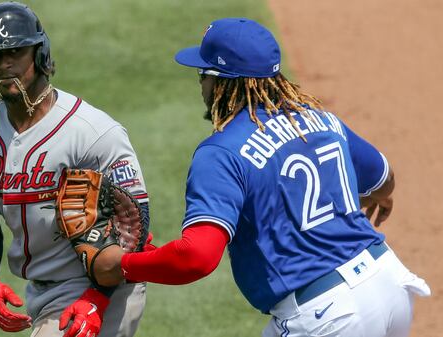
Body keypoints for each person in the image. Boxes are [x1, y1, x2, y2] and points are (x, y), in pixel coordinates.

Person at [94, 18, 431, 337]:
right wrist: (376, 197)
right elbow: (381, 179)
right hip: (389, 284)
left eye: (203, 73)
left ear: (223, 81)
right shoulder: (317, 118)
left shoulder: (220, 152)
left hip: (329, 315)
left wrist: (122, 265)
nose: (200, 84)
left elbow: (197, 257)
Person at [0, 2, 149, 337]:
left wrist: (97, 298)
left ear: (40, 53)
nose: (4, 64)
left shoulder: (92, 132)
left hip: (106, 286)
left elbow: (135, 222)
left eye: (15, 51)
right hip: (41, 293)